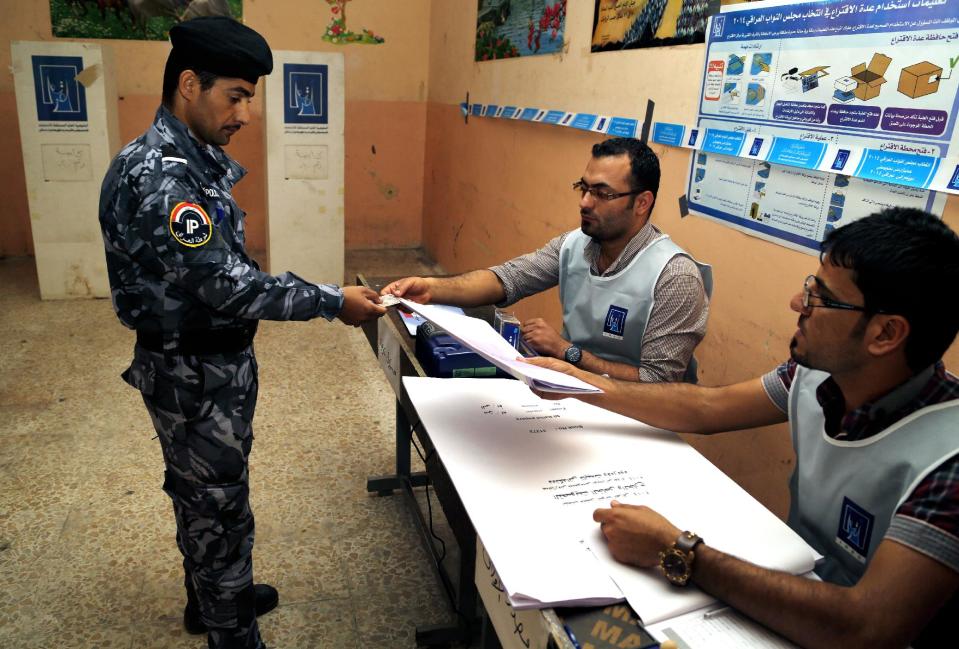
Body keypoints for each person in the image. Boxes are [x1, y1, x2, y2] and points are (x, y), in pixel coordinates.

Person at [526, 207, 959, 648]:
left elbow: (866, 627)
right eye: (810, 285)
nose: (797, 304)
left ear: (886, 334)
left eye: (820, 297)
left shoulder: (949, 461)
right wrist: (580, 384)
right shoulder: (813, 376)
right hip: (790, 596)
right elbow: (706, 407)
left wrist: (678, 551)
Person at [97, 17, 385, 649]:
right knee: (217, 505)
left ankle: (211, 598)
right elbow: (228, 284)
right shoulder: (162, 178)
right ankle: (232, 631)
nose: (247, 114)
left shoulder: (193, 162)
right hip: (191, 374)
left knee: (206, 497)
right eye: (236, 95)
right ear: (189, 85)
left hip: (211, 366)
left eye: (250, 97)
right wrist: (333, 301)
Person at [382, 138, 711, 383]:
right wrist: (431, 288)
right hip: (570, 384)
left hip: (633, 413)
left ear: (642, 203)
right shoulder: (575, 245)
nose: (584, 202)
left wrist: (570, 353)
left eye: (602, 193)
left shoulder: (674, 278)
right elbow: (508, 279)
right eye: (583, 188)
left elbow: (659, 385)